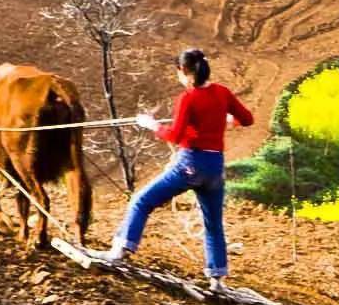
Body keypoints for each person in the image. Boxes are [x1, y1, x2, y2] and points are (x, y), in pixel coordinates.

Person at [103, 48, 254, 285]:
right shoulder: (222, 93)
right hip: (215, 166)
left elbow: (174, 135)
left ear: (183, 71)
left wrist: (150, 124)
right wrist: (228, 119)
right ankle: (217, 278)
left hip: (191, 164)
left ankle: (119, 251)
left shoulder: (188, 97)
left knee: (141, 201)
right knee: (213, 223)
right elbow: (248, 119)